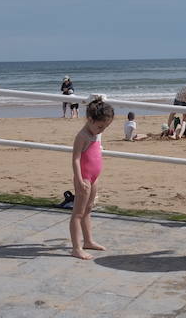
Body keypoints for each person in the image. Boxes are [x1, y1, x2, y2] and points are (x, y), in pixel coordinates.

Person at [70, 98, 115, 259]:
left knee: (88, 209)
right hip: (84, 177)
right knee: (78, 213)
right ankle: (76, 247)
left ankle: (88, 240)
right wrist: (80, 179)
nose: (102, 130)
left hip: (94, 177)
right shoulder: (82, 136)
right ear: (90, 120)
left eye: (106, 127)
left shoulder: (95, 133)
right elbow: (75, 159)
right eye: (100, 126)